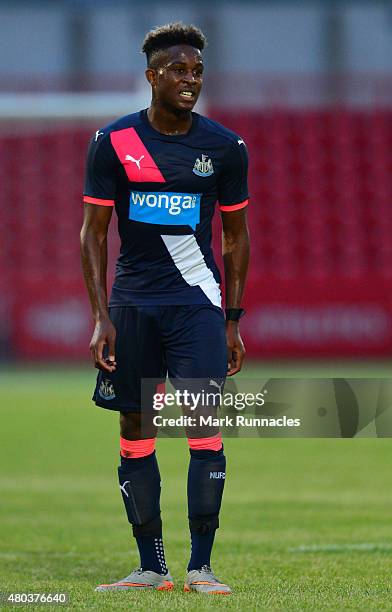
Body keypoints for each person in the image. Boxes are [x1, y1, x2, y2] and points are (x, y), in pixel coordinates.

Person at [80, 22, 249, 595]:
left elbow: (236, 237)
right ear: (151, 75)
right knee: (135, 427)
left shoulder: (224, 148)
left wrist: (233, 320)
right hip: (132, 306)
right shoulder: (113, 142)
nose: (190, 80)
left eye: (197, 71)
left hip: (197, 304)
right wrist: (102, 315)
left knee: (204, 425)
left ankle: (200, 566)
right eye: (178, 69)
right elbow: (92, 234)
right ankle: (151, 567)